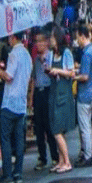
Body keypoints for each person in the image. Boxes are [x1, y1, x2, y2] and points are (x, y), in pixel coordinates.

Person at [0, 31, 32, 183]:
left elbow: (9, 76)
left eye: (9, 37)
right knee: (19, 139)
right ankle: (18, 173)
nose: (8, 39)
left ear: (14, 38)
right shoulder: (28, 56)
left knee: (6, 139)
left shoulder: (14, 54)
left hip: (10, 103)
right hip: (21, 103)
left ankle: (7, 174)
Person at [46, 26, 76, 173]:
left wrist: (57, 70)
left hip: (63, 96)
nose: (50, 41)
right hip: (54, 94)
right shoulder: (52, 54)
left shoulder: (66, 53)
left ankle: (67, 162)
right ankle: (61, 160)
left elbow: (71, 73)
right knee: (56, 130)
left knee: (57, 130)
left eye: (52, 38)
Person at [31, 28, 58, 170]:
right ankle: (42, 157)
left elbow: (54, 76)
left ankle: (55, 156)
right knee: (39, 127)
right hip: (38, 93)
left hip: (49, 92)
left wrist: (45, 64)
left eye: (41, 41)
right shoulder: (35, 60)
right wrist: (31, 100)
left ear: (47, 42)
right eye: (36, 41)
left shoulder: (52, 57)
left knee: (49, 126)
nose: (38, 44)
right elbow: (34, 79)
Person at [74, 24, 92, 167]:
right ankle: (87, 153)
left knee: (85, 126)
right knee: (87, 125)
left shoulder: (87, 53)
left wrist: (73, 76)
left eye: (78, 38)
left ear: (83, 37)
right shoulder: (91, 51)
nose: (77, 41)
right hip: (89, 93)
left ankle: (87, 155)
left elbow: (85, 76)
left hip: (85, 94)